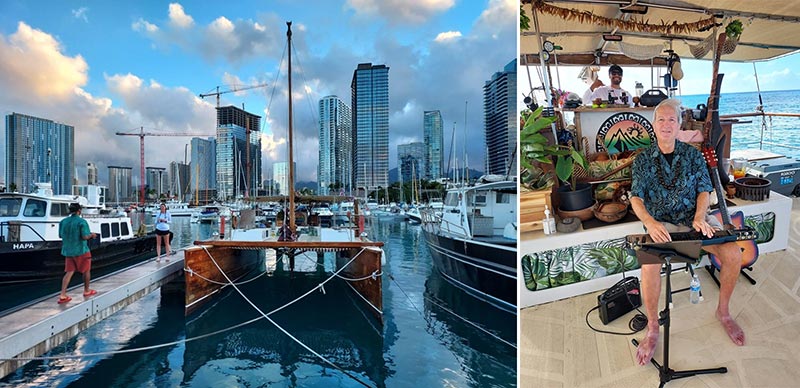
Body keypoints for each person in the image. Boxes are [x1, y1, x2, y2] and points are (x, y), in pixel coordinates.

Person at [630, 98, 745, 366]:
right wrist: (650, 223)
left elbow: (704, 189)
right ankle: (653, 327)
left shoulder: (693, 155)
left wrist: (699, 216)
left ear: (679, 125)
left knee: (732, 253)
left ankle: (723, 312)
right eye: (661, 119)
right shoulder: (642, 159)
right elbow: (636, 197)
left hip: (695, 220)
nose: (666, 124)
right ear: (653, 125)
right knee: (649, 265)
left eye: (672, 119)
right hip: (662, 224)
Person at [57, 203, 98, 304]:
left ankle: (63, 295)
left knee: (69, 272)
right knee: (86, 270)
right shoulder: (82, 222)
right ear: (79, 211)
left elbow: (60, 235)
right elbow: (84, 237)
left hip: (68, 251)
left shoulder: (63, 222)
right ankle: (86, 290)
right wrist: (92, 235)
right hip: (81, 250)